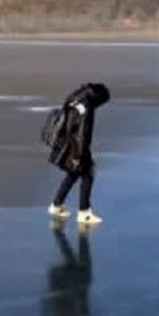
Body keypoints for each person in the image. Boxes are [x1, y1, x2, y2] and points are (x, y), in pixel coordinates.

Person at [47, 83, 110, 224]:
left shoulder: (74, 98)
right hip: (76, 146)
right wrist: (78, 155)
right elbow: (82, 133)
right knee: (88, 173)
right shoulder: (86, 107)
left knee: (74, 173)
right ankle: (84, 213)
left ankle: (56, 205)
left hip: (66, 143)